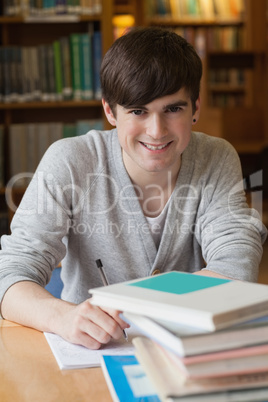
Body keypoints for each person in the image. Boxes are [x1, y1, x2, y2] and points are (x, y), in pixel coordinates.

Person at [0, 27, 266, 349]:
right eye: (138, 111)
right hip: (91, 354)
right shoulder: (70, 161)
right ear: (110, 112)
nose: (156, 131)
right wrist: (63, 318)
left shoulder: (216, 158)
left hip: (185, 353)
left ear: (195, 109)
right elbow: (10, 276)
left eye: (173, 109)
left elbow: (236, 269)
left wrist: (133, 303)